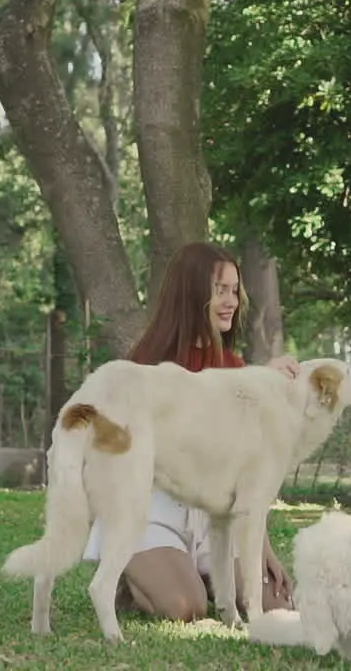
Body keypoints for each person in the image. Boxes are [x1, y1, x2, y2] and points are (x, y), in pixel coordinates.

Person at [82, 241, 300, 621]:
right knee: (186, 607)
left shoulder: (234, 366)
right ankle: (135, 579)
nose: (231, 301)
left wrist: (261, 548)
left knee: (277, 604)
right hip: (152, 509)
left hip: (213, 518)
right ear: (192, 294)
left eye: (234, 290)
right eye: (220, 291)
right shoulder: (146, 365)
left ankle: (199, 572)